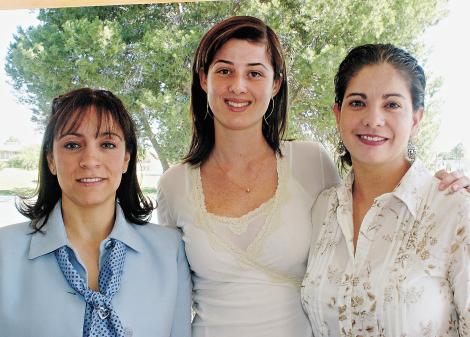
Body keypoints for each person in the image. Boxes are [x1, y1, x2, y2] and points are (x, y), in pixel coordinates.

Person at [301, 44, 470, 336]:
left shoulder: (454, 211)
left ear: (416, 119)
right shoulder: (321, 210)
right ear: (337, 113)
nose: (373, 119)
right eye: (357, 103)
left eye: (392, 104)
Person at [0, 88, 191, 337]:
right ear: (51, 160)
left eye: (107, 144)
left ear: (126, 159)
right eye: (72, 145)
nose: (90, 160)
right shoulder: (4, 251)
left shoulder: (170, 249)